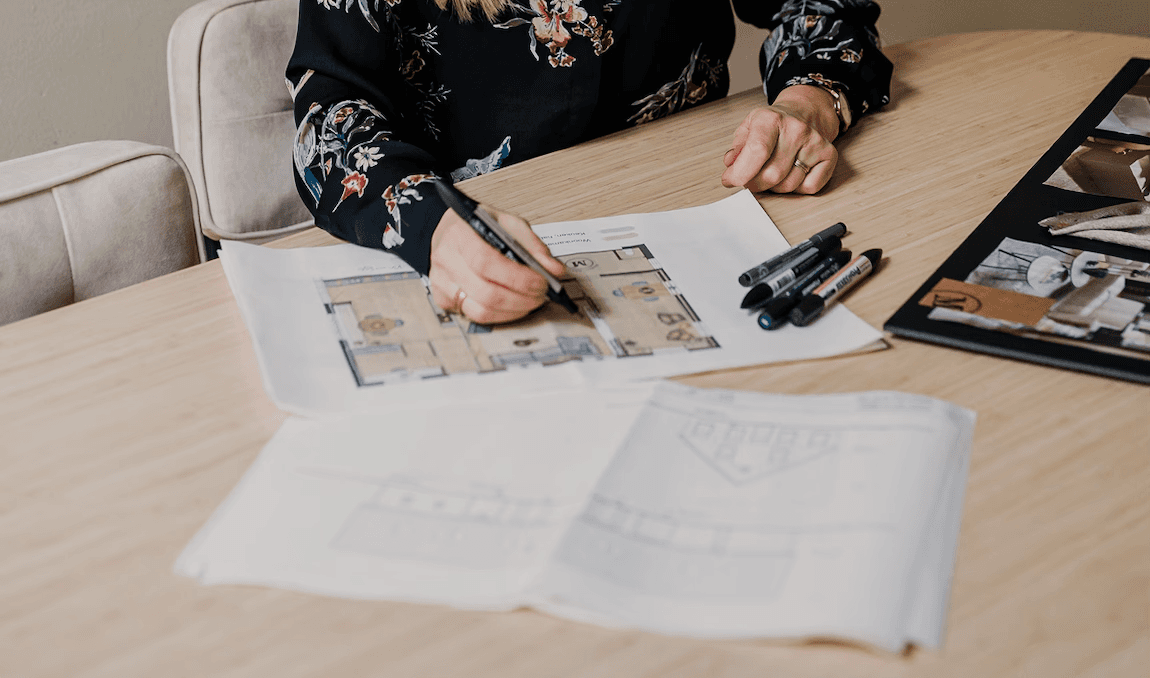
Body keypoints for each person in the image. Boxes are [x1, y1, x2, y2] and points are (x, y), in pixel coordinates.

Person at [287, 0, 892, 324]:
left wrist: (809, 99)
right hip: (488, 249)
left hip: (715, 218)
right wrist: (432, 226)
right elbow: (332, 113)